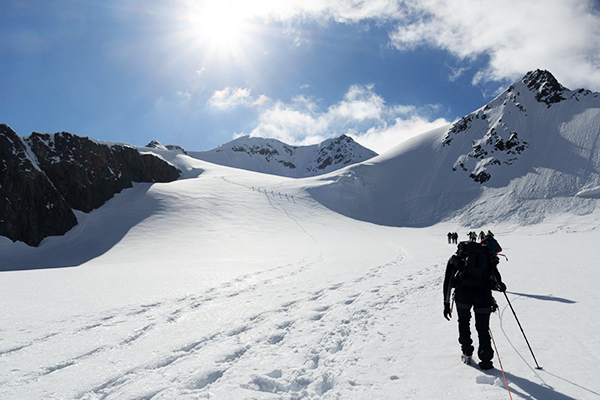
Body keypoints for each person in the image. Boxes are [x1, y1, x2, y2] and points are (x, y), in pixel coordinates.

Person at [443, 239, 506, 370]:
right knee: (483, 328)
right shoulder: (487, 257)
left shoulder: (456, 258)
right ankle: (486, 360)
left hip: (463, 294)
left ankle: (467, 353)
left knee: (464, 321)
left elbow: (447, 281)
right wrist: (500, 285)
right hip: (483, 295)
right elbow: (496, 281)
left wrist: (446, 304)